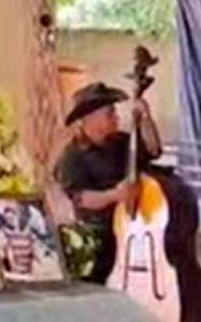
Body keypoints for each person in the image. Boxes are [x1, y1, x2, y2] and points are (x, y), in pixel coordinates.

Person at [54, 80, 162, 282]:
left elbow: (153, 149)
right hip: (98, 233)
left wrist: (145, 118)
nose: (116, 117)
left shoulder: (121, 141)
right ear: (90, 118)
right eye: (110, 113)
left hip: (132, 227)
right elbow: (80, 198)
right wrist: (115, 195)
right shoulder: (73, 155)